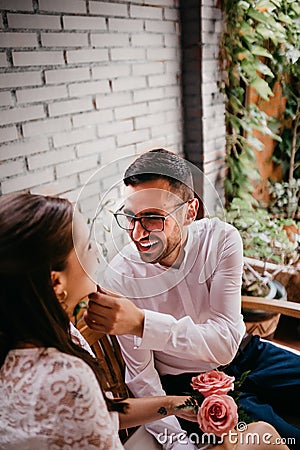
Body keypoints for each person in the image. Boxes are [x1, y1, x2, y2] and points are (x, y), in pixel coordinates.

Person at [85, 149, 300, 450]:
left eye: (153, 218)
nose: (137, 232)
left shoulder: (222, 240)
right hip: (189, 385)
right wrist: (179, 445)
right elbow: (143, 379)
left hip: (247, 354)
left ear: (190, 211)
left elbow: (226, 345)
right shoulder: (122, 277)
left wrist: (143, 323)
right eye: (130, 217)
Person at [0, 192, 200, 450]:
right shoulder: (65, 376)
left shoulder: (47, 335)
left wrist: (173, 405)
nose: (96, 254)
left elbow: (97, 414)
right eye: (88, 247)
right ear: (56, 282)